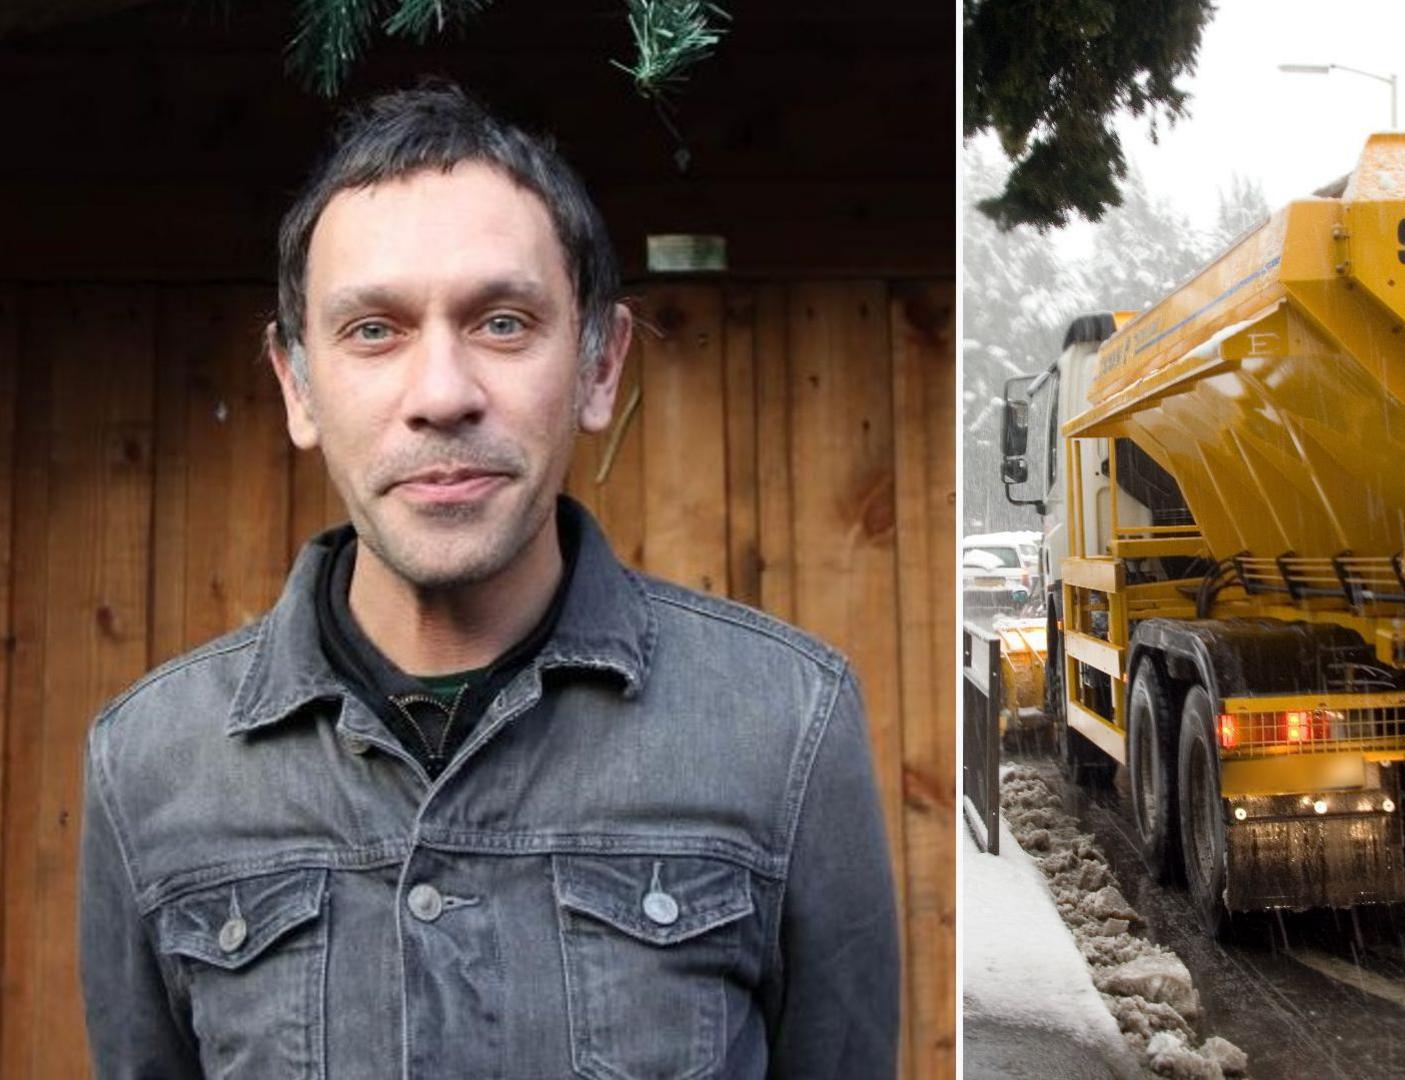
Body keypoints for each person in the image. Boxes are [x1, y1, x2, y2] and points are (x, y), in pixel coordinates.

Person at [77, 83, 898, 1078]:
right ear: (298, 385)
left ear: (599, 366)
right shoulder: (148, 764)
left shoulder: (785, 725)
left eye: (502, 322)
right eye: (373, 330)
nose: (441, 395)